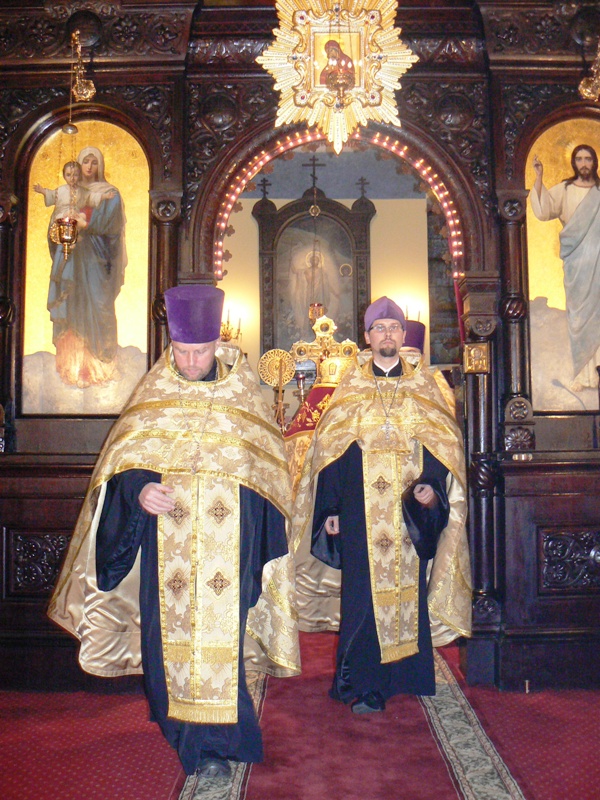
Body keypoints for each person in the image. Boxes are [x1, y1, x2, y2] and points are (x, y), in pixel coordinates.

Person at [48, 284, 300, 779]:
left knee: (225, 640)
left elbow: (267, 472)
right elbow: (124, 463)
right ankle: (192, 741)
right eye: (182, 351)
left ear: (217, 343)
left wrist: (255, 532)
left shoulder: (244, 395)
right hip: (168, 548)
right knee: (170, 641)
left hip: (232, 544)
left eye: (199, 351)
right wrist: (140, 491)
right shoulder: (154, 392)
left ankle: (227, 733)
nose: (189, 362)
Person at [293, 296, 471, 713]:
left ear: (403, 335)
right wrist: (331, 508)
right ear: (368, 337)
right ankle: (366, 682)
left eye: (394, 328)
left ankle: (408, 675)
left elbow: (441, 442)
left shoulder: (425, 385)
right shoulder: (351, 386)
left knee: (410, 589)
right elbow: (332, 451)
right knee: (362, 596)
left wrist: (430, 485)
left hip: (408, 508)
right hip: (359, 509)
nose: (387, 334)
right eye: (379, 328)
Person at [47, 146, 127, 388]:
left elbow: (111, 225)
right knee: (72, 306)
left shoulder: (110, 193)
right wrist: (61, 227)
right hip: (71, 259)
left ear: (100, 165)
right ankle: (71, 368)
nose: (89, 167)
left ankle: (103, 365)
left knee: (100, 305)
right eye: (85, 162)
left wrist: (86, 224)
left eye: (94, 162)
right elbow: (55, 224)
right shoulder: (69, 193)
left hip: (97, 259)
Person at [530, 144, 600, 390]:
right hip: (576, 263)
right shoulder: (565, 190)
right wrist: (539, 177)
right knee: (579, 316)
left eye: (588, 159)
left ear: (594, 162)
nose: (584, 164)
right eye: (579, 159)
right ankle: (583, 374)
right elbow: (543, 211)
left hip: (599, 263)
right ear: (573, 163)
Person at [34, 159, 115, 230]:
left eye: (75, 175)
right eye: (68, 175)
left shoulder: (82, 191)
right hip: (61, 215)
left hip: (75, 215)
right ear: (64, 176)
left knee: (82, 216)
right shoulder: (61, 190)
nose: (72, 178)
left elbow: (91, 197)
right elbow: (52, 195)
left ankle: (76, 236)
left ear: (79, 176)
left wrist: (105, 196)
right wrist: (42, 191)